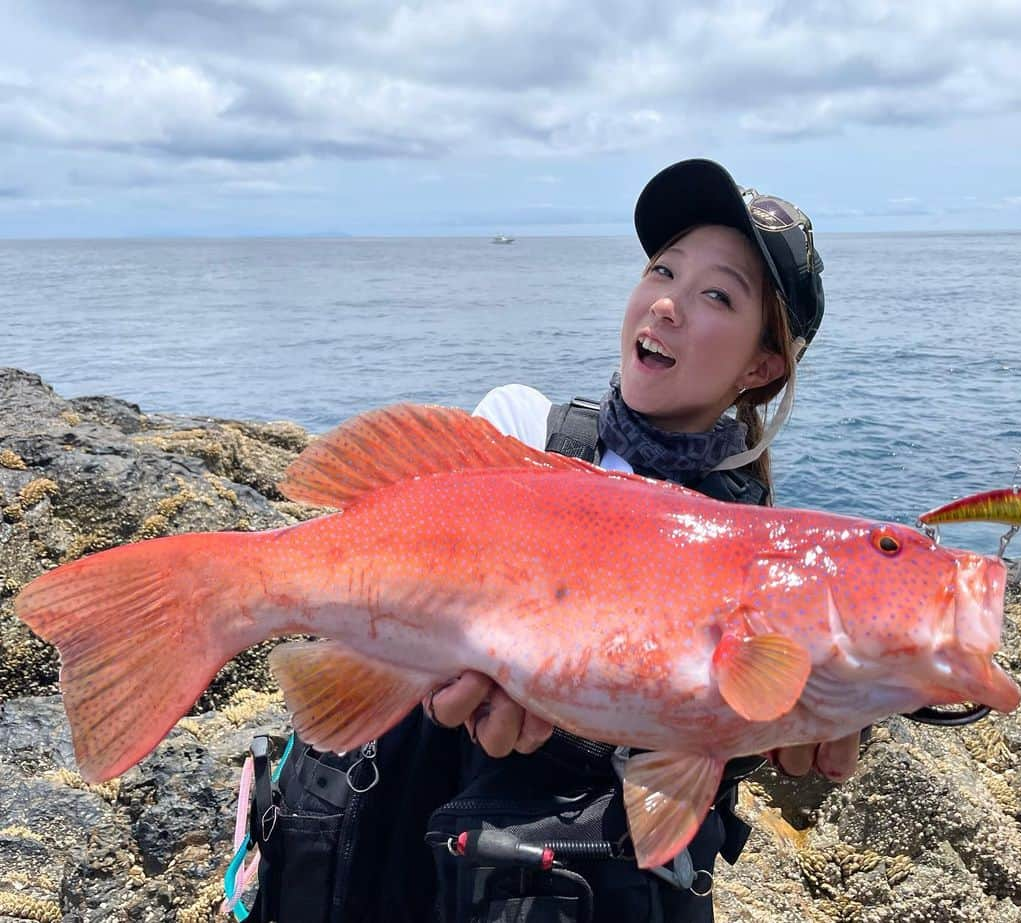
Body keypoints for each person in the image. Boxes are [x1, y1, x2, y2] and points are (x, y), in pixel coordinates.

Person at [247, 158, 861, 923]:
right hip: (402, 861)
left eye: (715, 294)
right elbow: (394, 578)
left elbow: (702, 754)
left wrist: (760, 732)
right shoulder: (519, 427)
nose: (666, 303)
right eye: (661, 269)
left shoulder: (760, 558)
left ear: (762, 365)